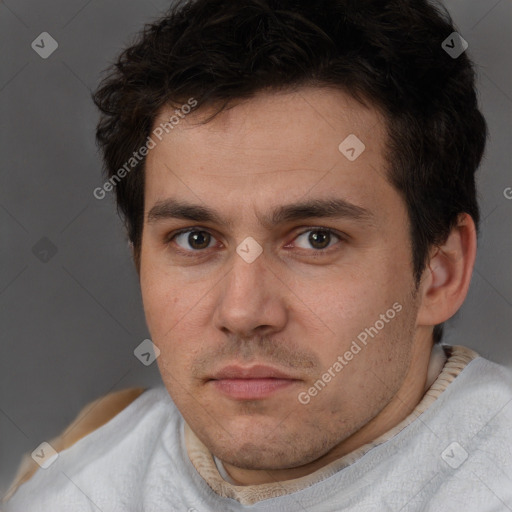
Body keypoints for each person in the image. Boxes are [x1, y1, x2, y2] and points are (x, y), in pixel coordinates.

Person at [4, 0, 512, 510]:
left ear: (440, 272)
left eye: (317, 239)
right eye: (195, 239)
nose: (243, 312)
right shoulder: (71, 490)